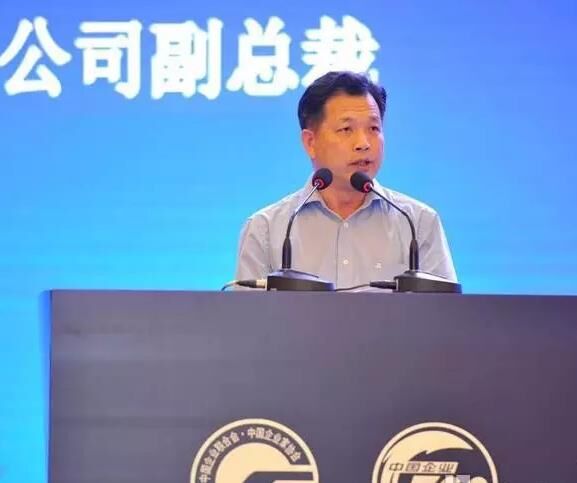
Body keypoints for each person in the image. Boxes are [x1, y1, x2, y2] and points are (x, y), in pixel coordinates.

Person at [235, 71, 456, 289]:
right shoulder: (266, 229)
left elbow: (444, 311)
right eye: (346, 129)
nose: (363, 143)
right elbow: (247, 313)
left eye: (373, 128)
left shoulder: (417, 223)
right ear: (310, 142)